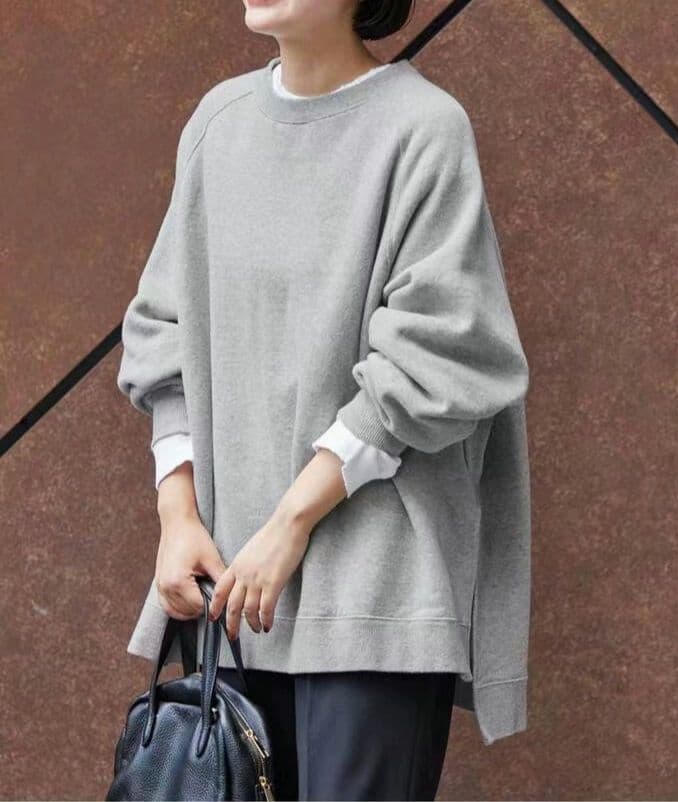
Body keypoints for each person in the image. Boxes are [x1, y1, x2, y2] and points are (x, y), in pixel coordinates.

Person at [116, 0, 532, 799]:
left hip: (373, 594)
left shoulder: (422, 129)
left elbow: (439, 353)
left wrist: (291, 522)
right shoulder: (219, 124)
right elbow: (164, 329)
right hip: (230, 594)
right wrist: (178, 519)